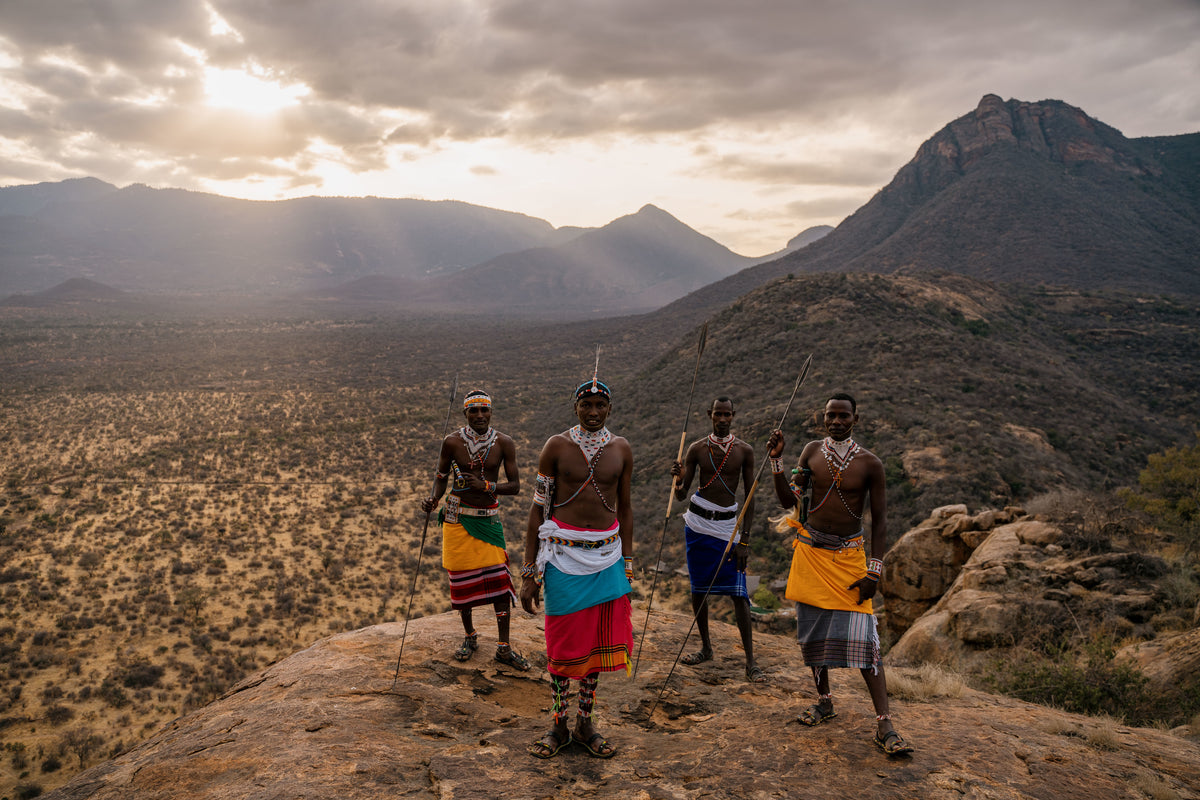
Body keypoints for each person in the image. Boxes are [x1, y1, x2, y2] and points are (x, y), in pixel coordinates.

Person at [766, 392, 913, 756]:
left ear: (855, 419)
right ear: (823, 418)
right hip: (811, 554)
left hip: (850, 558)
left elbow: (880, 521)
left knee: (866, 643)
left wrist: (874, 571)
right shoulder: (811, 452)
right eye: (831, 415)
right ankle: (825, 701)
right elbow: (790, 503)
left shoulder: (871, 464)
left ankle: (885, 725)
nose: (836, 421)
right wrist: (776, 461)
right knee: (813, 635)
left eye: (843, 416)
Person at [519, 376, 634, 759]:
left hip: (607, 556)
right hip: (563, 558)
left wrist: (628, 563)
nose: (594, 412)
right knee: (562, 645)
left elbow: (627, 507)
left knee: (596, 646)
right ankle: (557, 723)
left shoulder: (621, 449)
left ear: (610, 409)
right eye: (587, 405)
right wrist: (529, 571)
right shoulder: (556, 446)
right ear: (575, 407)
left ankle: (585, 723)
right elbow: (538, 509)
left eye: (601, 405)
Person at [420, 389, 529, 671]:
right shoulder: (452, 442)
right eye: (473, 411)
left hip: (488, 519)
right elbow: (440, 478)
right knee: (461, 583)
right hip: (456, 518)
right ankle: (470, 637)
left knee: (500, 584)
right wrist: (434, 498)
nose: (480, 416)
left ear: (491, 412)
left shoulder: (505, 443)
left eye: (485, 410)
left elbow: (515, 487)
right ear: (465, 413)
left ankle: (504, 648)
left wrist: (487, 486)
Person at [669, 396, 764, 682]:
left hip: (728, 529)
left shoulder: (744, 451)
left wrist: (744, 541)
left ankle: (751, 662)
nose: (722, 420)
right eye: (717, 415)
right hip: (697, 525)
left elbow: (750, 497)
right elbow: (681, 495)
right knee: (698, 589)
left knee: (739, 594)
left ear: (733, 415)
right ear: (710, 415)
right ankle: (706, 648)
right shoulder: (697, 449)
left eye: (727, 415)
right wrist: (677, 479)